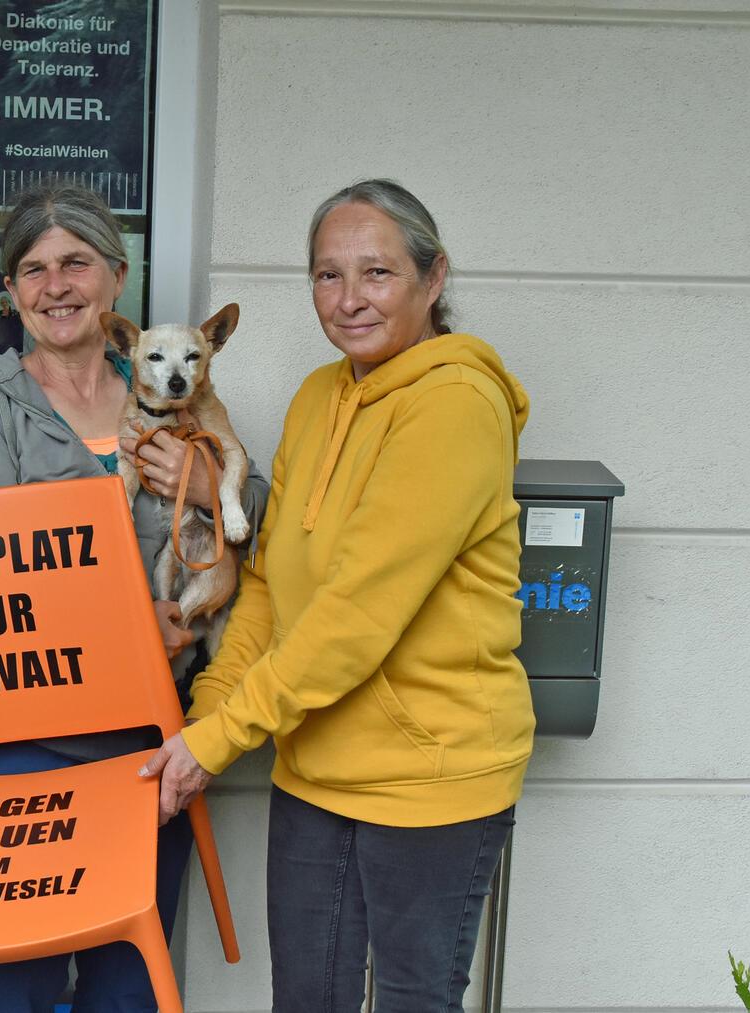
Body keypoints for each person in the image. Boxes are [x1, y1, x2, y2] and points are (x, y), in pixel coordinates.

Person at [142, 179, 536, 1013]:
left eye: (377, 272)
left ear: (433, 278)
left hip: (430, 779)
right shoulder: (320, 396)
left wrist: (220, 740)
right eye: (328, 274)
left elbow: (354, 616)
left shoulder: (457, 405)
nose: (350, 298)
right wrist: (206, 716)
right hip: (315, 770)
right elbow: (268, 587)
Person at [0, 182, 268, 1012]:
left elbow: (266, 518)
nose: (56, 285)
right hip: (30, 739)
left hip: (158, 742)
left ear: (118, 278)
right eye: (33, 268)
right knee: (13, 981)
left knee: (130, 983)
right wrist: (129, 628)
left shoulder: (170, 383)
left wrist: (205, 491)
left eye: (76, 262)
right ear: (10, 291)